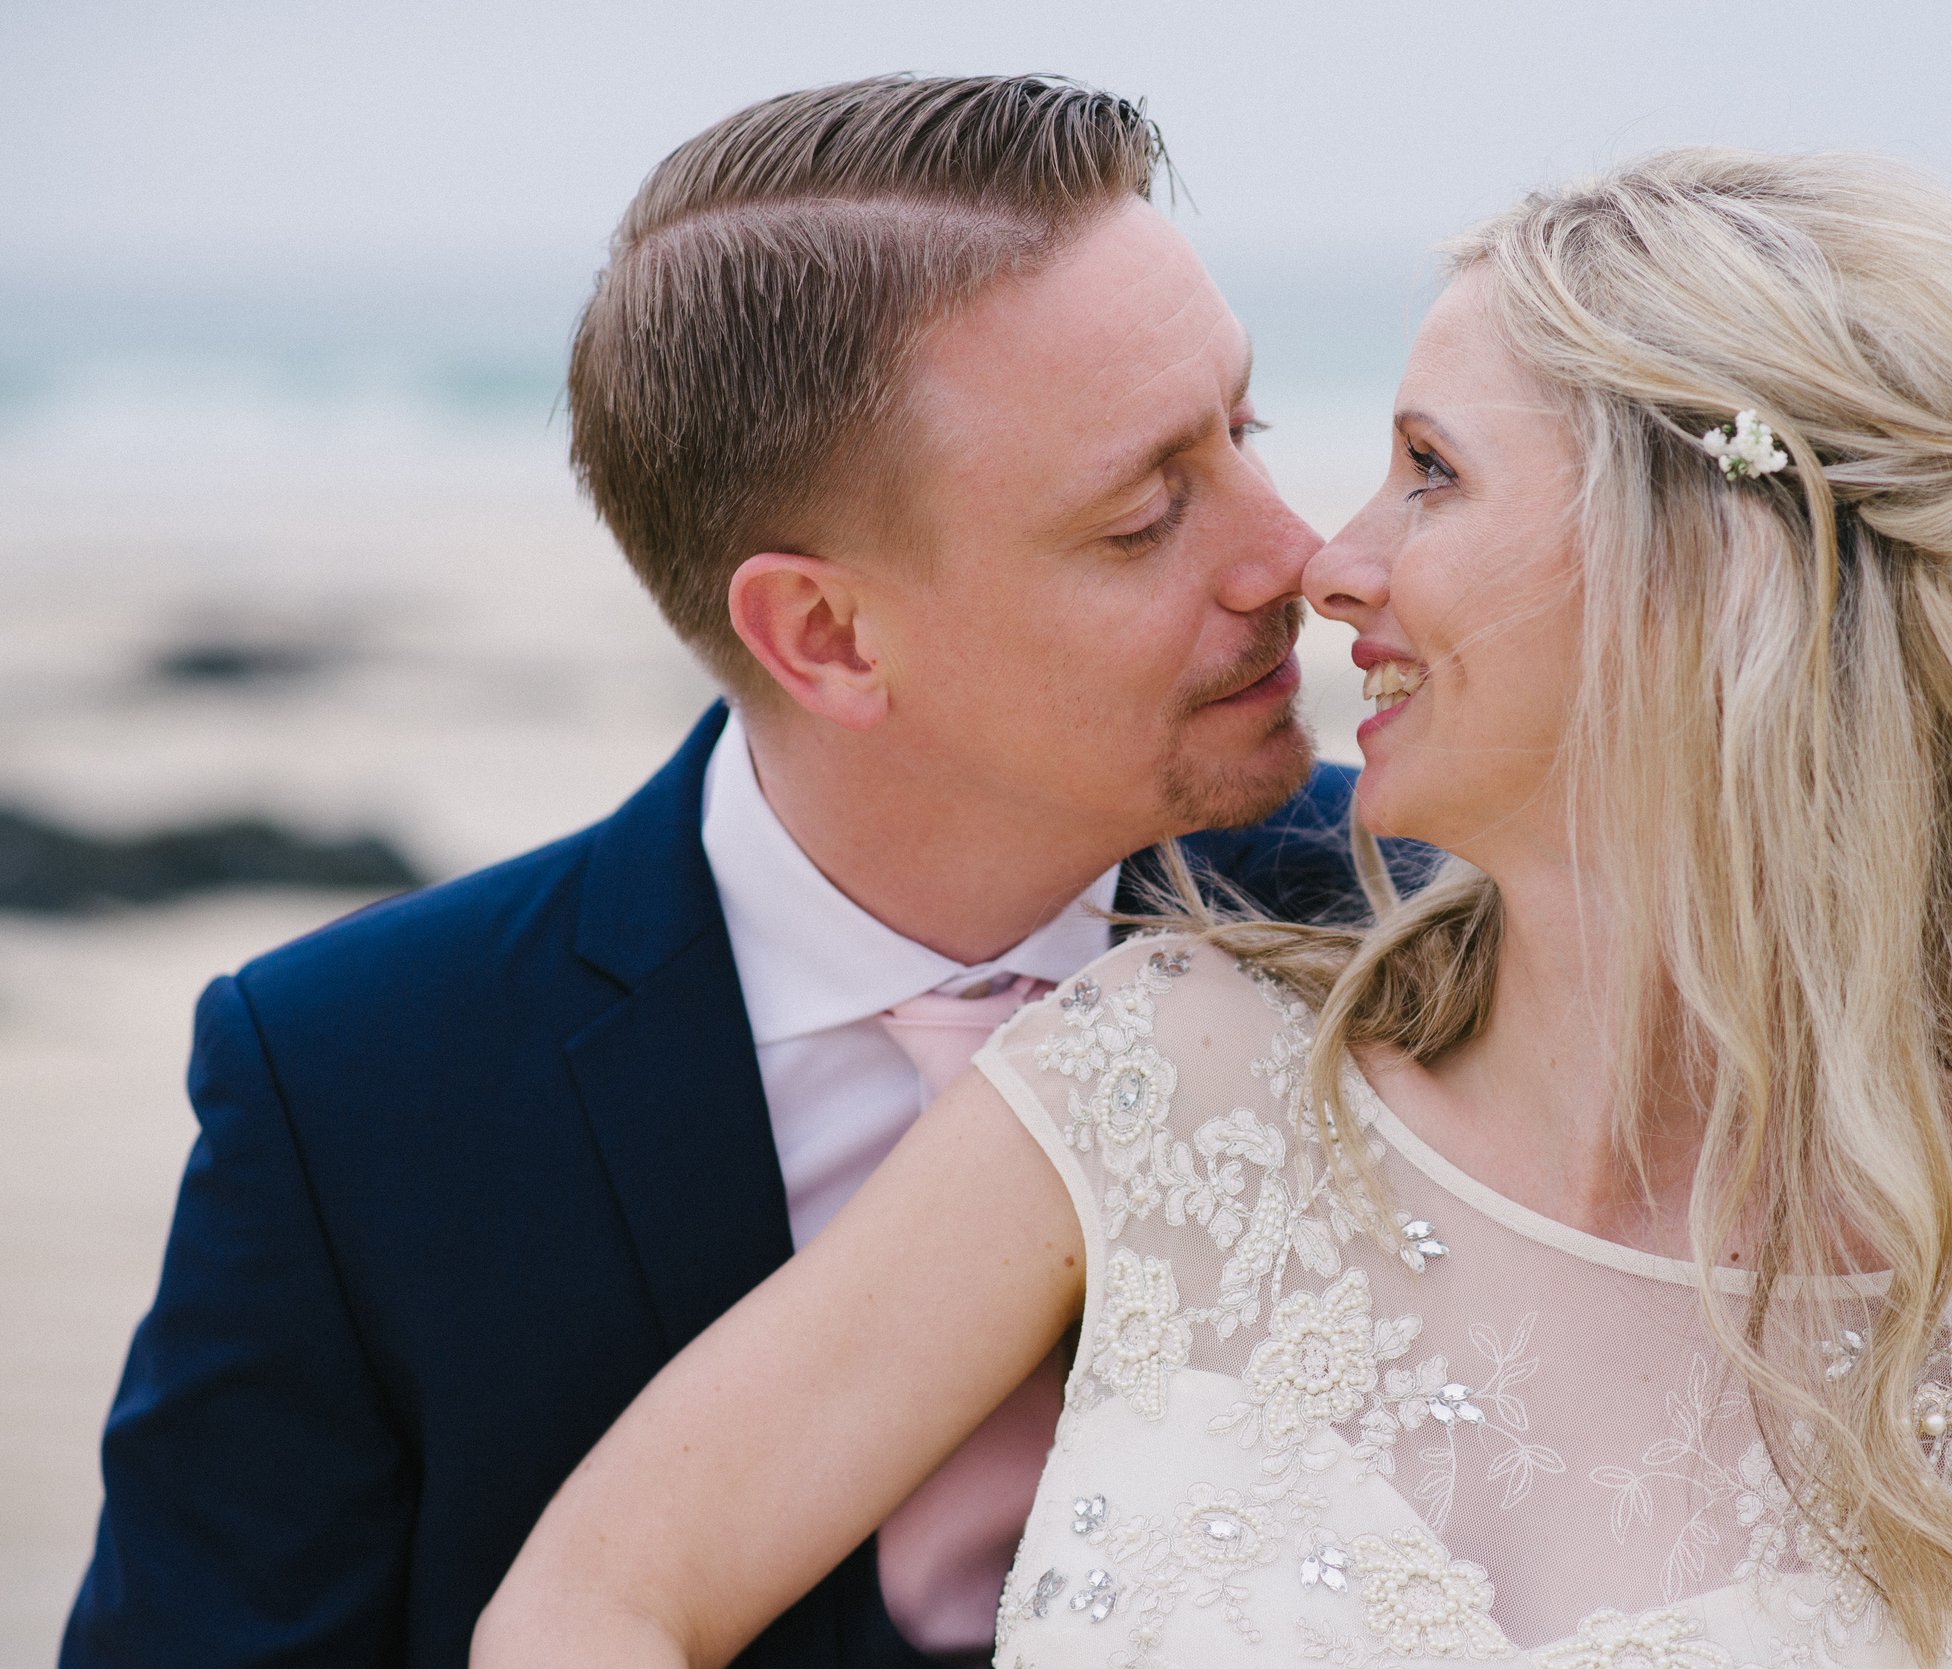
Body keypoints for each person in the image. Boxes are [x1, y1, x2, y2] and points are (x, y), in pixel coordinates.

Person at [476, 149, 1952, 1668]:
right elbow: (594, 1601)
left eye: (1432, 472)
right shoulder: (1170, 1068)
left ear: (1703, 578)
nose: (1325, 561)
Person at [64, 75, 1410, 1669]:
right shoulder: (354, 1088)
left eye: (1242, 426)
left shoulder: (1449, 926)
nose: (1299, 555)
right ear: (826, 635)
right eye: (1142, 516)